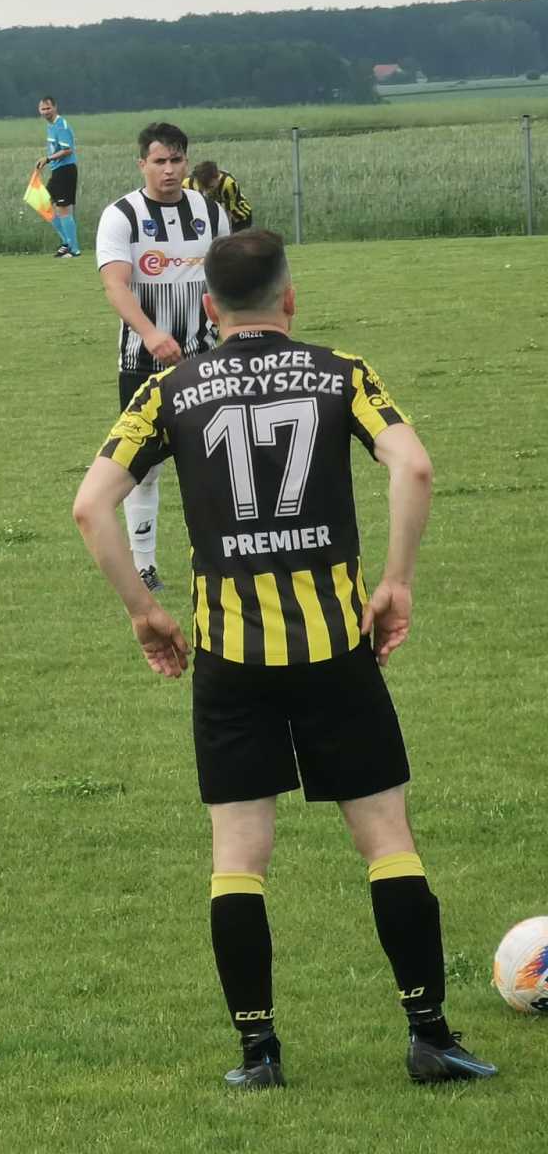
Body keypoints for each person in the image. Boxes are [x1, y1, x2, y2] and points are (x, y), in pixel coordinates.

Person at [72, 228, 497, 1089]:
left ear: (209, 308)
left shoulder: (169, 388)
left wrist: (145, 612)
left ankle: (258, 1053)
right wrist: (396, 583)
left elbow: (91, 507)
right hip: (336, 646)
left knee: (239, 852)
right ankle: (429, 1034)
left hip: (230, 657)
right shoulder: (341, 373)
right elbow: (413, 468)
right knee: (386, 838)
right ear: (290, 299)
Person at [95, 121, 228, 594]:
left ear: (186, 162)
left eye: (176, 160)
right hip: (142, 362)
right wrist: (151, 334)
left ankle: (217, 557)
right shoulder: (122, 216)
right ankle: (144, 567)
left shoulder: (210, 212)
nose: (168, 170)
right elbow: (115, 285)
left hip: (204, 359)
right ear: (142, 164)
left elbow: (223, 281)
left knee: (213, 461)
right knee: (144, 468)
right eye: (159, 161)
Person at [36, 97, 80, 258]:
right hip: (57, 171)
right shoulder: (51, 126)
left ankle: (73, 248)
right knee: (43, 203)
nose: (45, 112)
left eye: (48, 108)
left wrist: (48, 159)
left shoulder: (61, 125)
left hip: (65, 170)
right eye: (43, 109)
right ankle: (66, 242)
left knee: (63, 209)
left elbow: (67, 150)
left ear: (55, 107)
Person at [186, 161, 254, 231]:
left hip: (238, 217)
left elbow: (229, 212)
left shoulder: (229, 184)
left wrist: (227, 234)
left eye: (211, 187)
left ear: (217, 177)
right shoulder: (187, 184)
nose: (207, 192)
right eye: (203, 188)